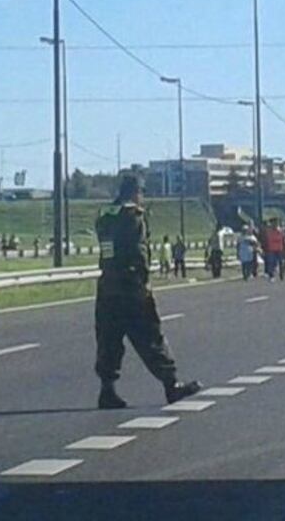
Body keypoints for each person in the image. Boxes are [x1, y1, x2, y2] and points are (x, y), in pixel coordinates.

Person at [93, 175, 201, 409]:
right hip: (131, 288)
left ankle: (107, 390)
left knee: (109, 339)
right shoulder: (133, 217)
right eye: (142, 192)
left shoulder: (104, 216)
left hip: (108, 286)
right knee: (151, 336)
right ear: (135, 192)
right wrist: (143, 282)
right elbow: (138, 252)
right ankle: (171, 385)